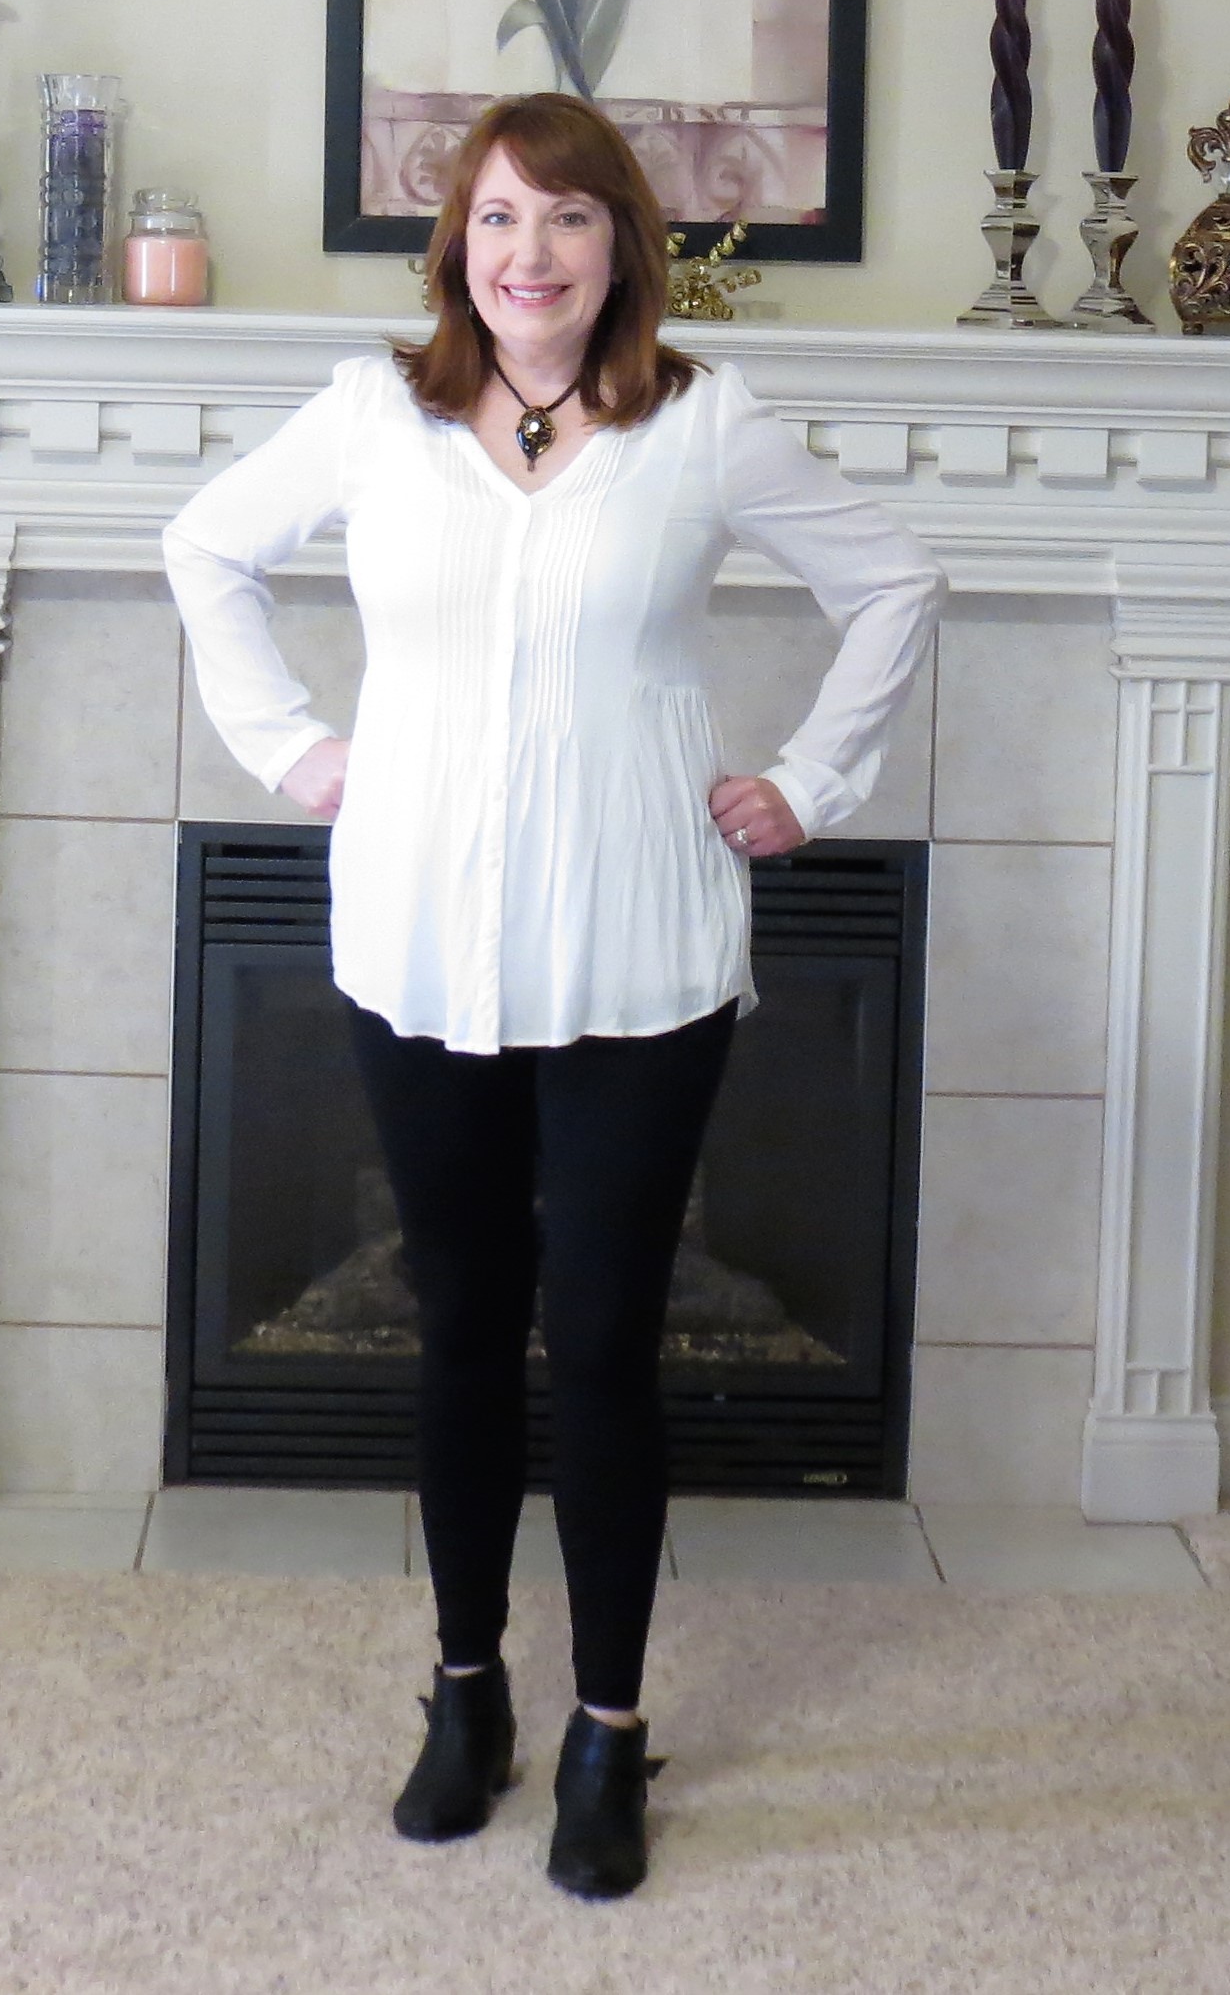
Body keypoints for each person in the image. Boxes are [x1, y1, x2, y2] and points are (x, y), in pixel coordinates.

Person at [162, 92, 946, 1900]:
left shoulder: (703, 426)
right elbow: (206, 551)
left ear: (622, 250)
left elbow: (894, 581)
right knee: (456, 1329)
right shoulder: (379, 417)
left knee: (596, 1342)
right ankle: (465, 1694)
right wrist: (289, 748)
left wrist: (811, 784)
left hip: (639, 953)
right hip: (420, 940)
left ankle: (606, 1725)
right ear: (460, 245)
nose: (532, 254)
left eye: (571, 220)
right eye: (501, 218)